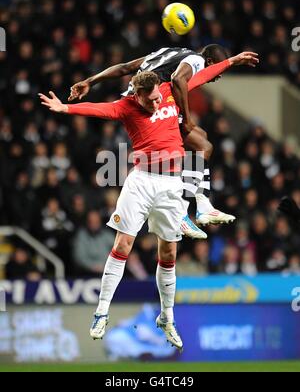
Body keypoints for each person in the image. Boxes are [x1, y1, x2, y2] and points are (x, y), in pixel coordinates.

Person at [39, 71, 189, 350]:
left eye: (159, 97)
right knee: (123, 243)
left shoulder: (169, 89)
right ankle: (102, 311)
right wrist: (65, 108)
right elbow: (98, 109)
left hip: (171, 184)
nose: (157, 103)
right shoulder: (126, 106)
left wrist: (231, 61)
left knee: (168, 253)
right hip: (141, 180)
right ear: (138, 95)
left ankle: (167, 317)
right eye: (151, 99)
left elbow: (201, 77)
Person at [69, 45, 259, 238]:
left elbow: (125, 67)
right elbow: (178, 79)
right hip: (151, 107)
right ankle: (185, 211)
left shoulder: (166, 52)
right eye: (217, 70)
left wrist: (91, 81)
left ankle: (202, 204)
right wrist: (186, 117)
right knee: (202, 146)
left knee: (203, 142)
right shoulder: (196, 61)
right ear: (209, 62)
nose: (217, 75)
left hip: (136, 105)